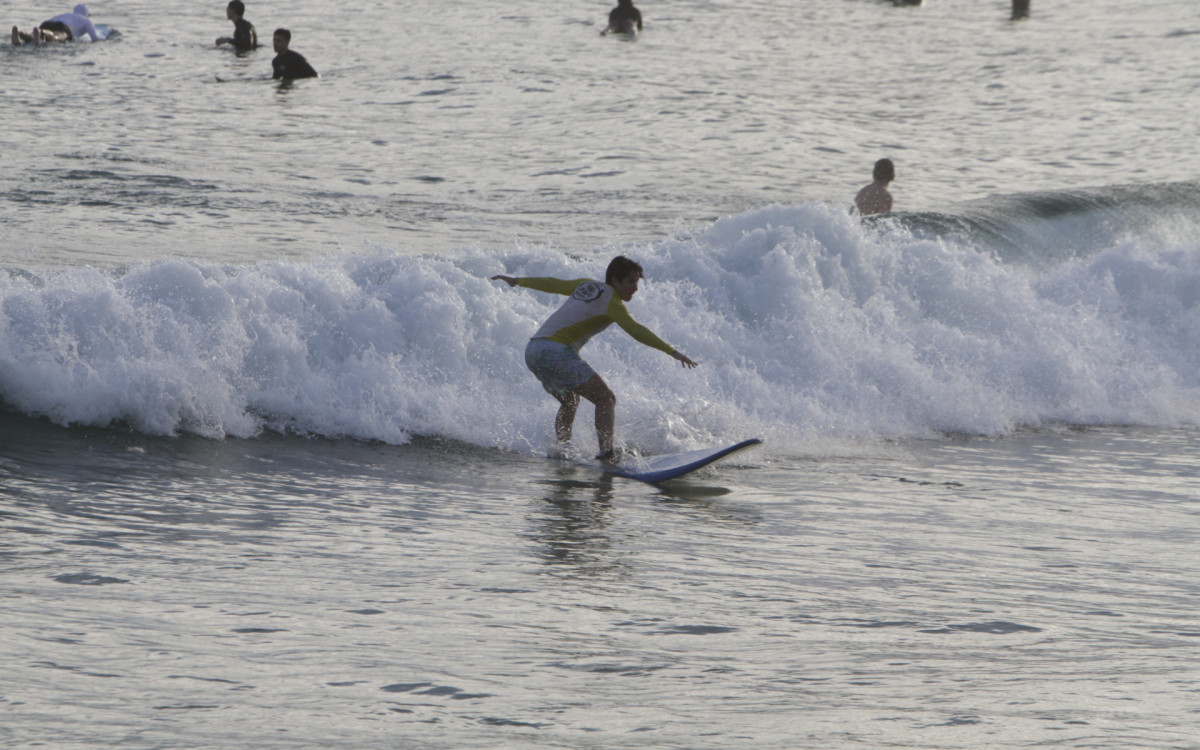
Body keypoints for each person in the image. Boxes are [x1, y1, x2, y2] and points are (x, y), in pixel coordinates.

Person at [491, 256, 698, 463]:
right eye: (631, 281)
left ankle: (561, 451)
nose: (635, 288)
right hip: (555, 351)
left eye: (637, 282)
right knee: (605, 398)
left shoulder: (585, 285)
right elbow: (636, 330)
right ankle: (606, 455)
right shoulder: (613, 302)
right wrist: (672, 352)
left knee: (570, 400)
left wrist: (517, 280)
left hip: (534, 349)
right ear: (615, 281)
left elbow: (553, 284)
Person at [11, 4, 100, 45]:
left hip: (48, 23)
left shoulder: (65, 15)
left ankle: (20, 32)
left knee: (33, 35)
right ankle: (40, 33)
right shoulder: (86, 20)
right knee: (57, 36)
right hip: (64, 28)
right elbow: (94, 39)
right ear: (86, 14)